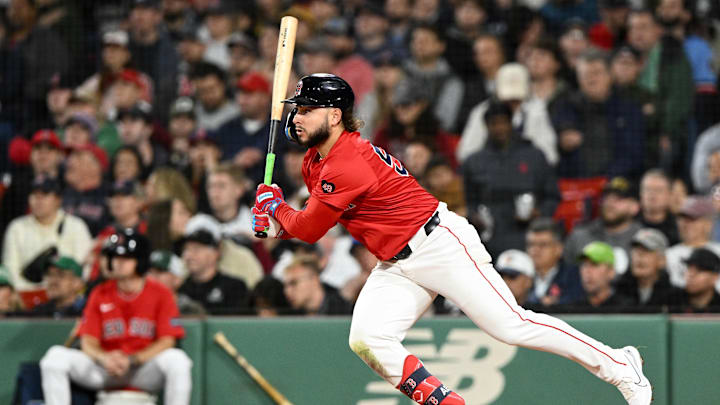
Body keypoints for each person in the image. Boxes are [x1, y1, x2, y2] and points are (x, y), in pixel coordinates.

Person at [251, 73, 652, 405]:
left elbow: (309, 228)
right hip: (397, 262)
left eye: (305, 110)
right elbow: (310, 218)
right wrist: (275, 219)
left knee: (512, 326)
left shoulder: (348, 162)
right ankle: (444, 402)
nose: (297, 118)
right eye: (297, 110)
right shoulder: (316, 157)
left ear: (335, 115)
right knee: (367, 338)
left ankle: (619, 365)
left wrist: (277, 211)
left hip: (438, 243)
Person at [39, 229, 192, 405]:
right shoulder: (100, 293)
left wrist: (132, 359)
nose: (116, 263)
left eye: (124, 258)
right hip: (105, 370)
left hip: (141, 369)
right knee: (54, 358)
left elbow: (167, 341)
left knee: (178, 360)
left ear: (140, 261)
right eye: (114, 257)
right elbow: (88, 341)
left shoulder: (161, 293)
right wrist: (104, 358)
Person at [462, 100, 559, 257]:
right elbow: (470, 202)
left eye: (503, 122)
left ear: (511, 122)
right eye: (494, 123)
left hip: (528, 234)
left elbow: (552, 196)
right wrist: (475, 216)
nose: (499, 128)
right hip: (488, 237)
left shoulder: (534, 155)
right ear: (486, 126)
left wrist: (539, 213)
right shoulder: (473, 162)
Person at [2, 176, 92, 292]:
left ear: (58, 200)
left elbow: (83, 268)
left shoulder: (76, 226)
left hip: (68, 294)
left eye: (44, 195)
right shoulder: (17, 227)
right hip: (26, 295)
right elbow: (10, 270)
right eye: (34, 195)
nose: (38, 200)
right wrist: (34, 293)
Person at [564, 177, 643, 275]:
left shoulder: (643, 240)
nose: (610, 204)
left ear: (634, 207)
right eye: (607, 198)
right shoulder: (579, 236)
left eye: (618, 199)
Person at [178, 227, 249, 314]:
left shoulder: (234, 287)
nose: (188, 255)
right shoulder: (182, 289)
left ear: (215, 253)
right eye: (186, 249)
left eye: (196, 249)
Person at [525, 218, 584, 307]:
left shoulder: (574, 276)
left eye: (543, 244)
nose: (535, 250)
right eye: (531, 244)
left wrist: (556, 305)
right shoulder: (520, 276)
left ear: (559, 249)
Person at [665, 196, 720, 291]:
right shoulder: (668, 255)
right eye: (682, 218)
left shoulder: (718, 251)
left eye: (692, 219)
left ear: (708, 223)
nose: (686, 224)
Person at [616, 228, 675, 310]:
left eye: (646, 251)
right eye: (635, 251)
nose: (638, 257)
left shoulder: (674, 297)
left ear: (662, 260)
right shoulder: (618, 291)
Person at [282, 255, 353, 315]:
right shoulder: (288, 315)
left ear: (314, 279)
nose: (287, 291)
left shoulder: (346, 312)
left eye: (294, 283)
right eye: (285, 286)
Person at [574, 242, 634, 311]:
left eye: (594, 264)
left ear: (611, 271)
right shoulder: (573, 309)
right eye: (584, 265)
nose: (587, 271)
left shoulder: (627, 309)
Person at [147, 250, 205, 316]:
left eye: (160, 272)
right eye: (150, 272)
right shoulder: (136, 304)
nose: (152, 276)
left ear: (177, 279)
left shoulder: (189, 309)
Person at [669, 247, 720, 313]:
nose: (691, 275)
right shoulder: (670, 300)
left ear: (715, 277)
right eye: (689, 269)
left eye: (699, 270)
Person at [637, 169, 680, 245]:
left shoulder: (679, 228)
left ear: (670, 195)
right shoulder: (627, 224)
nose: (652, 195)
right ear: (640, 193)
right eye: (647, 189)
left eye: (658, 190)